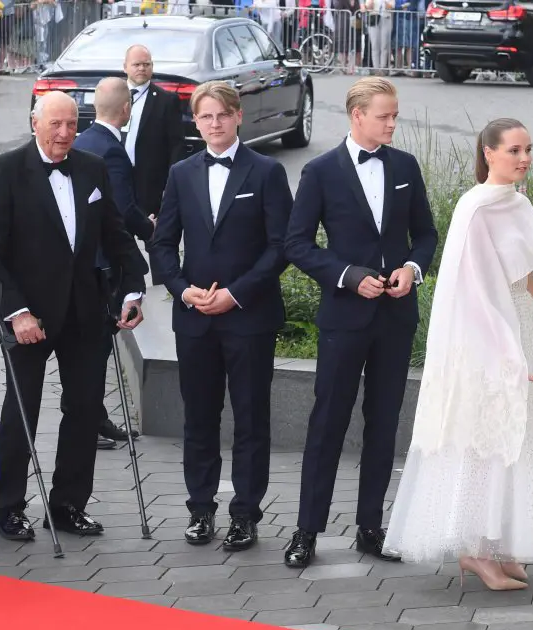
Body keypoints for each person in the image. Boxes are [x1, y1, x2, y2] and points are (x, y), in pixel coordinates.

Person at [382, 119, 533, 590]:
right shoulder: (475, 209)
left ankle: (504, 543)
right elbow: (470, 291)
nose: (524, 158)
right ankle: (475, 550)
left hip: (522, 326)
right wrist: (507, 353)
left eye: (528, 149)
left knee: (521, 439)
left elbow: (530, 279)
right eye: (514, 150)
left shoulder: (519, 204)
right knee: (484, 438)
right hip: (486, 337)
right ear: (488, 153)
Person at [0, 90, 149, 542]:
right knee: (22, 411)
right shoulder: (5, 170)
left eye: (72, 124)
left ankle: (69, 504)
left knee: (85, 408)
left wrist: (132, 288)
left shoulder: (91, 168)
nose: (65, 133)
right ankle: (9, 506)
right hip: (27, 315)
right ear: (35, 122)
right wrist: (18, 312)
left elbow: (115, 233)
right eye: (56, 124)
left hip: (84, 311)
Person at [281, 77, 438, 568]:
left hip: (395, 317)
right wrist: (348, 277)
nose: (393, 122)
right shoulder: (321, 171)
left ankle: (370, 526)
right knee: (327, 422)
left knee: (384, 422)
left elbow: (426, 235)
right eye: (384, 115)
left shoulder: (405, 167)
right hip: (345, 317)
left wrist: (412, 271)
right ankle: (307, 531)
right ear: (357, 115)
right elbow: (297, 244)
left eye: (395, 115)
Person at [149, 81, 292, 552]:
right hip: (195, 319)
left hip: (248, 316)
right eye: (205, 117)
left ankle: (245, 515)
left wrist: (235, 293)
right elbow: (163, 243)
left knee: (251, 418)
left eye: (221, 116)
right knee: (199, 417)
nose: (214, 124)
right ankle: (201, 509)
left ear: (238, 117)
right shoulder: (181, 173)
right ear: (196, 120)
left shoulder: (267, 172)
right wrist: (181, 289)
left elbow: (280, 248)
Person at [72, 76, 155, 450]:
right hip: (104, 263)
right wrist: (151, 228)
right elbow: (121, 209)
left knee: (92, 347)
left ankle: (93, 417)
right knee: (96, 348)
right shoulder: (111, 150)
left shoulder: (82, 141)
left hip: (84, 259)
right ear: (127, 109)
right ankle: (87, 419)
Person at [121, 44, 183, 216]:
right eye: (136, 64)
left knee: (153, 236)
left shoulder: (166, 100)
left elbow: (176, 144)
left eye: (146, 64)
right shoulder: (114, 96)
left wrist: (171, 184)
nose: (142, 68)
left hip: (151, 183)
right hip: (119, 177)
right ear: (125, 67)